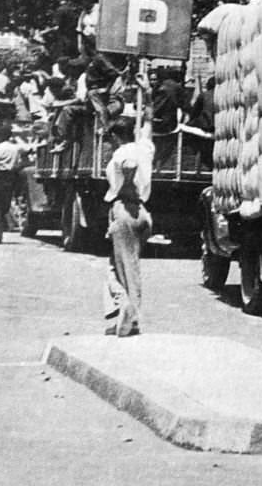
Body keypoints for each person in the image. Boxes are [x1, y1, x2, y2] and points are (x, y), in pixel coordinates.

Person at [103, 71, 155, 337]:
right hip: (143, 214)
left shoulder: (122, 153)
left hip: (125, 208)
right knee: (119, 265)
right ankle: (121, 313)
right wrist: (147, 93)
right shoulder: (144, 146)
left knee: (125, 268)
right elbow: (148, 120)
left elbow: (128, 165)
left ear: (115, 137)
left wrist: (128, 182)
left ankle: (129, 311)